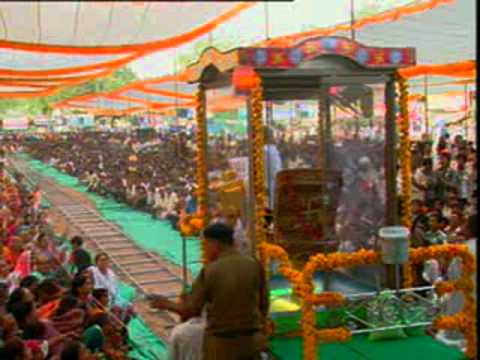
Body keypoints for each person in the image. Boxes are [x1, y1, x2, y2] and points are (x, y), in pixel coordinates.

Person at [149, 223, 269, 360]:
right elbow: (264, 304)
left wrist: (165, 304)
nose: (205, 250)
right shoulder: (254, 264)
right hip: (250, 343)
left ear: (215, 243)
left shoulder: (210, 270)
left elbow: (191, 310)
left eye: (206, 245)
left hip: (221, 345)